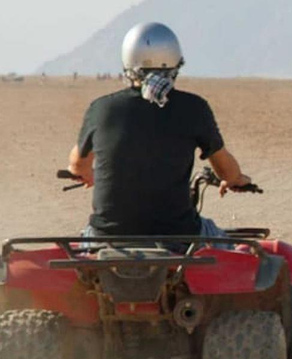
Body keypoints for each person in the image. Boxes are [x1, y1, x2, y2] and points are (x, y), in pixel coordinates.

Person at [68, 22, 252, 239]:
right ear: (175, 64)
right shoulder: (194, 108)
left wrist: (88, 174)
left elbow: (77, 165)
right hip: (179, 235)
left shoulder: (101, 109)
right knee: (232, 248)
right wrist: (236, 178)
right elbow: (226, 171)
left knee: (79, 258)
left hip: (107, 236)